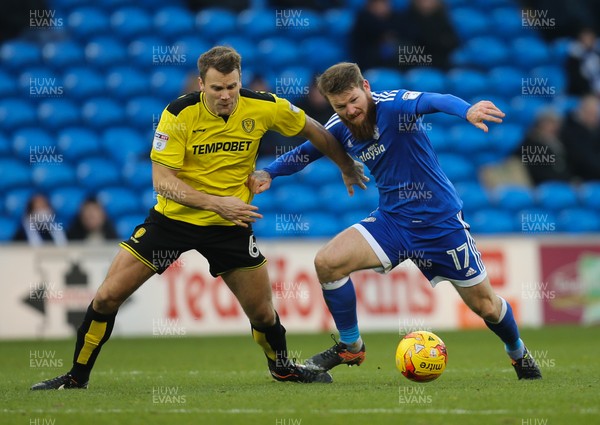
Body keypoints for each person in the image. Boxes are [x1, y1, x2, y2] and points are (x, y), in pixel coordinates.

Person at [30, 46, 366, 390]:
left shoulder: (265, 106)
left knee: (263, 314)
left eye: (232, 86)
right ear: (201, 84)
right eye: (217, 88)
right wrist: (217, 203)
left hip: (229, 227)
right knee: (106, 297)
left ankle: (282, 368)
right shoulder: (178, 114)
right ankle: (76, 377)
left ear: (240, 81)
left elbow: (316, 130)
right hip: (172, 222)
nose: (226, 95)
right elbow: (162, 182)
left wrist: (345, 166)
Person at [249, 62, 542, 380]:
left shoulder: (394, 105)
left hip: (440, 224)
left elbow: (435, 99)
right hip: (393, 221)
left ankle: (518, 353)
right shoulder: (338, 125)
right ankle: (351, 345)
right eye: (340, 106)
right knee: (327, 263)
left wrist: (467, 110)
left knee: (486, 306)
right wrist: (269, 172)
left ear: (365, 86)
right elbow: (307, 151)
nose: (349, 111)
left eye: (353, 101)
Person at [513, 109, 572, 185]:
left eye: (556, 123)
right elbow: (537, 173)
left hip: (560, 183)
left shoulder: (558, 143)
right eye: (550, 123)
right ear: (540, 124)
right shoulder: (531, 144)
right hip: (540, 186)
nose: (554, 127)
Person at [560, 94, 600, 181]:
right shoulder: (570, 132)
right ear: (581, 111)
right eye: (591, 112)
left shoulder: (596, 131)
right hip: (582, 178)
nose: (594, 117)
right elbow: (582, 159)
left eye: (596, 113)